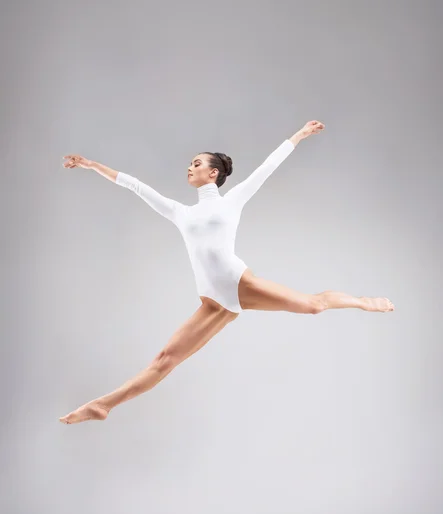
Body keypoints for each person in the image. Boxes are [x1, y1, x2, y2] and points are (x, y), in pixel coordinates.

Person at [60, 120, 394, 424]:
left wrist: (299, 135)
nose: (189, 168)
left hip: (237, 283)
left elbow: (268, 167)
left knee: (313, 305)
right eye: (190, 163)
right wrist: (90, 165)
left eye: (197, 163)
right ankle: (103, 405)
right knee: (165, 360)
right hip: (214, 301)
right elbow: (133, 185)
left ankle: (362, 301)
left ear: (214, 174)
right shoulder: (179, 212)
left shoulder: (231, 201)